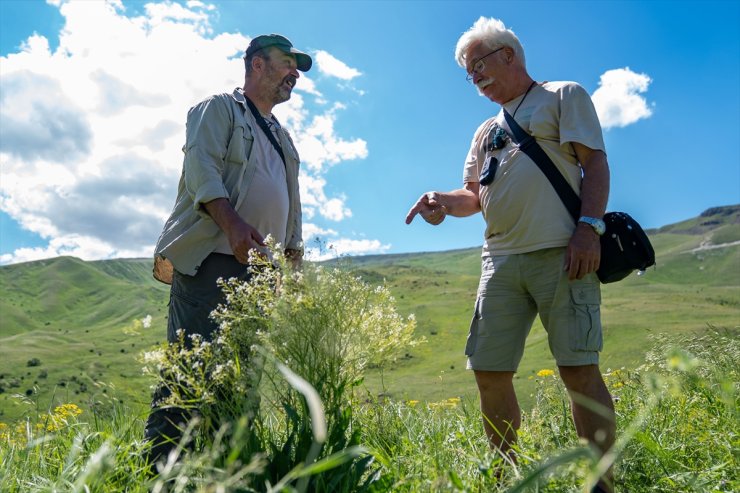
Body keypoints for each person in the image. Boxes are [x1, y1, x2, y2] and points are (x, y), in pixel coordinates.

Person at [405, 17, 615, 493]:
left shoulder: (563, 95)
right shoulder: (484, 130)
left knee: (579, 370)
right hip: (498, 262)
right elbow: (472, 196)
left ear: (508, 55)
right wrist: (441, 202)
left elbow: (595, 161)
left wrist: (589, 228)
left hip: (563, 253)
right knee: (489, 372)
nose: (474, 76)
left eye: (478, 64)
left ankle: (601, 483)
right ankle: (506, 478)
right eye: (467, 71)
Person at [144, 33, 311, 467]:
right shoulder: (218, 109)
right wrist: (234, 225)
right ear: (257, 64)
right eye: (287, 63)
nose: (294, 73)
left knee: (241, 380)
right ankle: (160, 473)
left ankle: (223, 470)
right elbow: (202, 168)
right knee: (192, 370)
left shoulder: (282, 136)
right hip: (212, 260)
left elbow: (289, 203)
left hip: (260, 272)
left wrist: (291, 260)